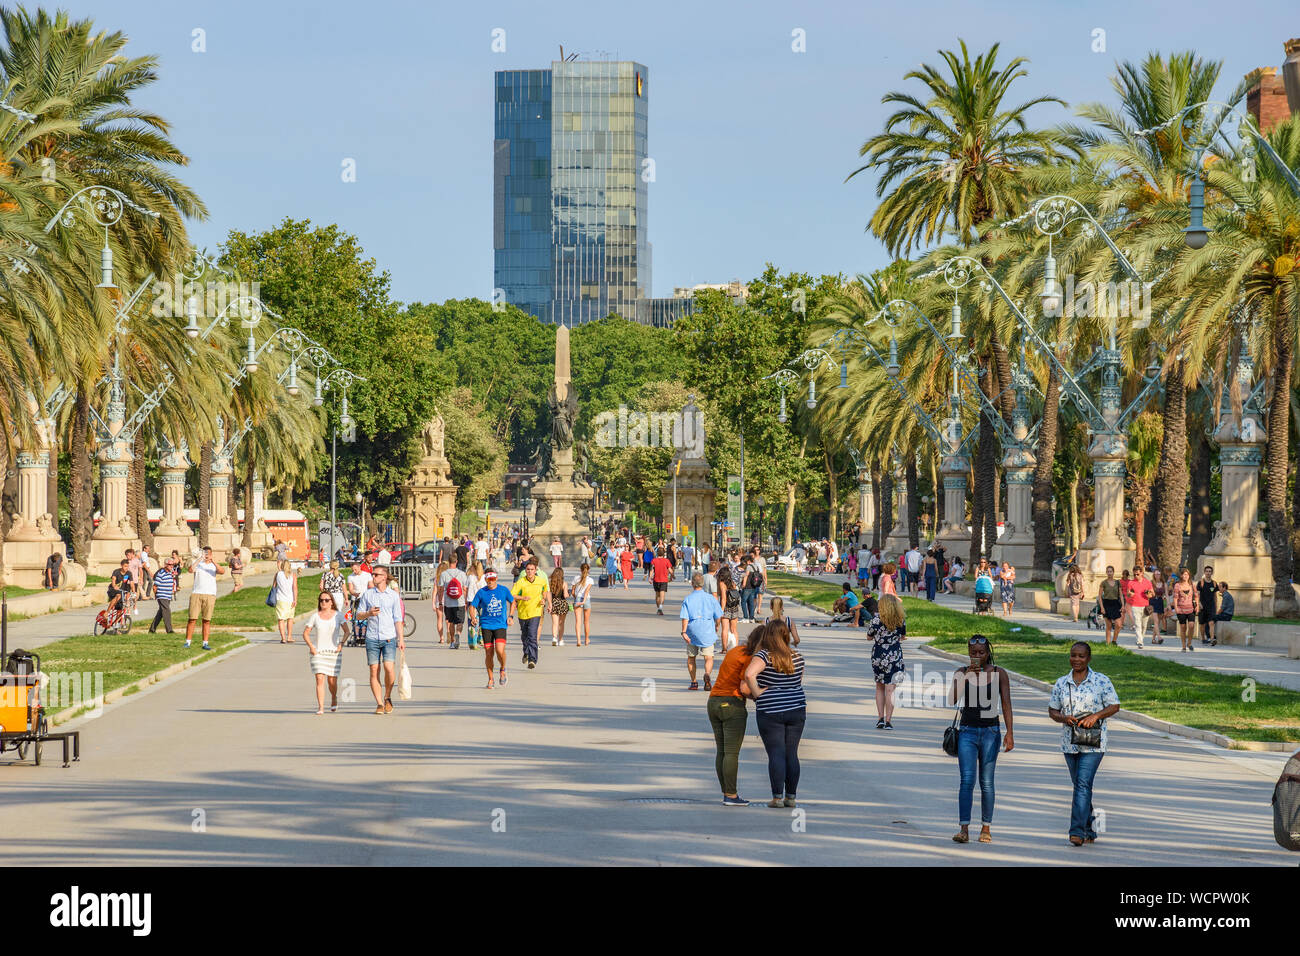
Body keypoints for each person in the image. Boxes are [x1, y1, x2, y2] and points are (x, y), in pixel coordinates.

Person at [1048, 641, 1120, 846]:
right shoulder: (1062, 683)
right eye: (1073, 655)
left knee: (1082, 785)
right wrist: (1063, 718)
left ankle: (1076, 832)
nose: (1076, 660)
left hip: (1094, 743)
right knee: (1081, 786)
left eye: (1081, 656)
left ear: (1088, 658)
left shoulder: (1101, 680)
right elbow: (1052, 710)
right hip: (1069, 743)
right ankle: (1091, 829)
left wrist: (1095, 716)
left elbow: (1115, 705)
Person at [949, 635, 1015, 845]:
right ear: (968, 653)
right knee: (966, 781)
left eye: (981, 652)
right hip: (967, 731)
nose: (977, 656)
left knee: (986, 782)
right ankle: (964, 828)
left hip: (990, 732)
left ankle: (986, 827)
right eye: (973, 653)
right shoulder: (961, 672)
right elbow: (952, 699)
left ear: (988, 653)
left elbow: (1006, 704)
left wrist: (1010, 732)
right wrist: (967, 676)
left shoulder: (998, 673)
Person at [743, 620, 805, 808]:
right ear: (786, 635)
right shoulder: (797, 657)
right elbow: (798, 681)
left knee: (776, 752)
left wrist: (757, 693)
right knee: (792, 753)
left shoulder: (764, 656)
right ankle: (791, 797)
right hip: (796, 708)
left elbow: (749, 675)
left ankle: (777, 797)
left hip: (770, 709)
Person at [709, 623, 762, 806]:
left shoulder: (735, 650)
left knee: (722, 751)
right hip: (732, 703)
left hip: (714, 701)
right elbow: (744, 687)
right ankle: (731, 795)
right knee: (732, 753)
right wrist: (760, 696)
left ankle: (726, 791)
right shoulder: (750, 658)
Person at [357, 565, 405, 714]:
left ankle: (387, 696)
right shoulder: (368, 594)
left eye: (377, 574)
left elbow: (398, 618)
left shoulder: (393, 595)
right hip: (372, 637)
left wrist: (401, 639)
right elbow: (358, 615)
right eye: (373, 574)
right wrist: (368, 614)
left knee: (389, 669)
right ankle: (379, 703)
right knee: (374, 670)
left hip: (389, 637)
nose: (374, 577)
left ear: (384, 577)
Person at [867, 593, 906, 729]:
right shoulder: (900, 619)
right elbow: (902, 636)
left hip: (878, 655)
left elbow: (869, 637)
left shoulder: (876, 620)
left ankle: (880, 719)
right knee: (891, 690)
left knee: (879, 687)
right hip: (894, 656)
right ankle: (889, 721)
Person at [471, 569, 514, 687]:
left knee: (500, 650)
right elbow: (472, 606)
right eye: (488, 580)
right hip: (486, 625)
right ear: (485, 580)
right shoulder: (481, 592)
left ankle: (503, 669)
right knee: (488, 653)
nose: (490, 582)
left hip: (500, 625)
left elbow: (512, 601)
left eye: (492, 579)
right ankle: (490, 679)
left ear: (496, 579)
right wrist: (473, 618)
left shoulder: (503, 590)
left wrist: (510, 616)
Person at [681, 572, 723, 690]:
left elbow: (685, 617)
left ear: (692, 584)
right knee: (708, 657)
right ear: (703, 584)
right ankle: (707, 675)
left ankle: (694, 682)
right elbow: (718, 615)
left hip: (692, 631)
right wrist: (717, 625)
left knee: (691, 657)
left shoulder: (688, 599)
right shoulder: (711, 598)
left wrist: (684, 632)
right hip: (707, 630)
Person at [304, 592, 344, 714]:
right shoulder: (315, 616)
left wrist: (341, 644)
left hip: (333, 652)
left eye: (326, 600)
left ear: (331, 602)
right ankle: (320, 707)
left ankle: (333, 697)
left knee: (332, 681)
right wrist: (311, 646)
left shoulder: (338, 615)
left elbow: (347, 631)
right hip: (318, 652)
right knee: (319, 679)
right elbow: (305, 633)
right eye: (321, 600)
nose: (323, 602)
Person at [510, 561, 551, 669]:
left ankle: (532, 660)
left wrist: (544, 599)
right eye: (528, 569)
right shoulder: (520, 582)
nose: (529, 571)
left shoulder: (541, 581)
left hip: (536, 612)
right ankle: (526, 652)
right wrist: (522, 598)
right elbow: (512, 595)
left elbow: (545, 591)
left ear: (535, 570)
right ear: (525, 571)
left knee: (532, 636)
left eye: (532, 569)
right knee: (524, 636)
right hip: (523, 612)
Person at [184, 545, 224, 651]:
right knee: (192, 619)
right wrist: (200, 559)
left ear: (211, 554)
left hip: (210, 594)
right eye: (205, 553)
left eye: (208, 553)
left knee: (206, 620)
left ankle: (205, 643)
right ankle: (187, 642)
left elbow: (222, 571)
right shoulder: (198, 564)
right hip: (197, 593)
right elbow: (190, 570)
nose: (207, 555)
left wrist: (212, 561)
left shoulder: (213, 565)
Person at [439, 558, 470, 649]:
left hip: (448, 603)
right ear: (456, 562)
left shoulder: (444, 574)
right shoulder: (462, 574)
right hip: (459, 602)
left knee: (451, 622)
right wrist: (466, 601)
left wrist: (440, 602)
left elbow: (440, 589)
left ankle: (452, 642)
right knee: (460, 621)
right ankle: (458, 634)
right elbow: (465, 589)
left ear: (448, 562)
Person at [148, 556, 178, 634]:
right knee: (167, 611)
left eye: (173, 565)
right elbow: (155, 586)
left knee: (161, 613)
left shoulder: (170, 573)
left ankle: (152, 629)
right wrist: (156, 595)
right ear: (165, 565)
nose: (172, 566)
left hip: (167, 596)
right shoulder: (161, 573)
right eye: (170, 565)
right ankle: (169, 630)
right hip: (162, 595)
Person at [1171, 567, 1198, 652]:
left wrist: (1196, 605)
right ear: (1181, 575)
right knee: (1183, 627)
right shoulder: (1177, 585)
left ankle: (1189, 643)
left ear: (1189, 575)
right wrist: (1176, 609)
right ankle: (1183, 646)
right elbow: (1175, 598)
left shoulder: (1192, 585)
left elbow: (1197, 596)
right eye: (1183, 574)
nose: (1185, 576)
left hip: (1191, 609)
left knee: (1191, 626)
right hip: (1181, 609)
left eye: (1186, 574)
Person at [1127, 567, 1154, 648]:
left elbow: (1153, 594)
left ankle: (1141, 639)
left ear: (1142, 573)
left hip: (1145, 606)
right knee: (1138, 624)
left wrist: (1149, 594)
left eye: (1137, 574)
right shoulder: (1131, 583)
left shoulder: (1148, 582)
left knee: (1144, 625)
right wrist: (1130, 594)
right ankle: (1140, 641)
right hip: (1135, 606)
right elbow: (1128, 594)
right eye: (1134, 574)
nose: (1136, 576)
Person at [320, 561, 348, 642]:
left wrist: (324, 591)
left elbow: (321, 587)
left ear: (330, 566)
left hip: (329, 596)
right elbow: (344, 589)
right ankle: (336, 637)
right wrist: (346, 599)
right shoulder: (341, 576)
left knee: (327, 615)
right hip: (339, 596)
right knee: (337, 616)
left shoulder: (325, 575)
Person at [1097, 566, 1122, 645]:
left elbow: (1121, 595)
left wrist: (1123, 606)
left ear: (1113, 572)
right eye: (1108, 571)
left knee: (1119, 624)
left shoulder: (1117, 583)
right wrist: (1102, 607)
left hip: (1115, 604)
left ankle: (1114, 641)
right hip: (1106, 604)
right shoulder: (1103, 583)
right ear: (1106, 572)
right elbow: (1100, 596)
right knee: (1109, 626)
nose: (1109, 573)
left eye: (1111, 571)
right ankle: (1108, 644)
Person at [571, 563, 594, 647]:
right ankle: (587, 639)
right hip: (586, 600)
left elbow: (572, 592)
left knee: (578, 621)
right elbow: (587, 591)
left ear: (580, 570)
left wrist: (576, 598)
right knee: (586, 621)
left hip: (577, 599)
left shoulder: (576, 578)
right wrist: (583, 601)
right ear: (588, 570)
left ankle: (578, 640)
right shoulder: (590, 580)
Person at [464, 561, 485, 650]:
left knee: (472, 621)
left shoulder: (470, 577)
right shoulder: (484, 578)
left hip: (471, 601)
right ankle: (481, 638)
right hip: (481, 602)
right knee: (482, 620)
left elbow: (465, 589)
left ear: (473, 567)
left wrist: (465, 601)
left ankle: (472, 642)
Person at [1196, 565, 1219, 645]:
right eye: (1207, 571)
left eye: (1210, 571)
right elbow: (1197, 595)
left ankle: (1212, 639)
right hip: (1202, 606)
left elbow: (1215, 596)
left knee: (1211, 622)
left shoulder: (1214, 583)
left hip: (1211, 606)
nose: (1208, 573)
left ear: (1211, 573)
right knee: (1202, 624)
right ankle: (1203, 638)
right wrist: (1199, 603)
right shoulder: (1200, 583)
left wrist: (1216, 606)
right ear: (1204, 572)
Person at [548, 566, 570, 646]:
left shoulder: (551, 583)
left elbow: (549, 594)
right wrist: (568, 593)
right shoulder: (564, 583)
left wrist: (550, 604)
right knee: (561, 623)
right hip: (562, 603)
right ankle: (560, 640)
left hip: (554, 603)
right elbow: (565, 595)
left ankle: (554, 637)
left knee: (555, 623)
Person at [648, 547, 673, 615]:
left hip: (656, 580)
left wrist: (649, 578)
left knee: (657, 595)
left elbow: (651, 570)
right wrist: (672, 576)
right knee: (662, 595)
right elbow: (670, 570)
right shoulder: (666, 561)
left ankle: (658, 608)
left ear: (657, 553)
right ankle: (660, 608)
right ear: (664, 553)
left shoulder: (654, 560)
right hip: (664, 580)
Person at [432, 558, 450, 643]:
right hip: (448, 600)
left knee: (439, 619)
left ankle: (441, 638)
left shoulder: (437, 578)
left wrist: (433, 603)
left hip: (439, 600)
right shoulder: (448, 577)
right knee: (448, 619)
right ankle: (449, 632)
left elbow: (434, 591)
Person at [750, 545, 769, 618]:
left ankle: (759, 608)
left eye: (758, 549)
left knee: (760, 594)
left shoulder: (762, 559)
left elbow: (764, 569)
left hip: (761, 578)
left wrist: (765, 579)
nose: (757, 551)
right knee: (754, 595)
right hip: (753, 578)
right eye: (755, 550)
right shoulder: (752, 558)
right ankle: (754, 608)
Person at [1150, 568, 1168, 642]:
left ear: (1161, 575)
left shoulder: (1164, 584)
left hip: (1160, 602)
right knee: (1156, 621)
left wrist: (1167, 605)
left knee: (1157, 622)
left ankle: (1153, 639)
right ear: (1154, 575)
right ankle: (1159, 637)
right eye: (1156, 574)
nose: (1157, 575)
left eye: (1159, 574)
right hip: (1153, 601)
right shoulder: (1151, 583)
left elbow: (1166, 595)